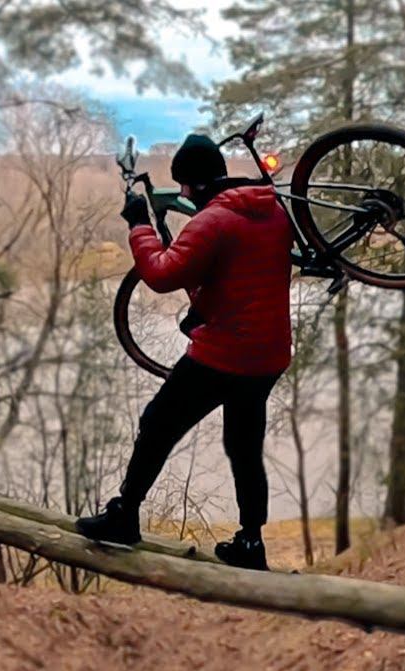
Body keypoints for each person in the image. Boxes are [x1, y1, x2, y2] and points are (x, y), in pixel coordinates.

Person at [75, 134, 292, 571]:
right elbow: (240, 274)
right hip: (268, 354)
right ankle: (251, 543)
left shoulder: (214, 222)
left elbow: (159, 274)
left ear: (191, 185)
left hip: (225, 354)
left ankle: (124, 516)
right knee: (244, 446)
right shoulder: (271, 210)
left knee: (157, 423)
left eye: (185, 186)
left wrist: (139, 225)